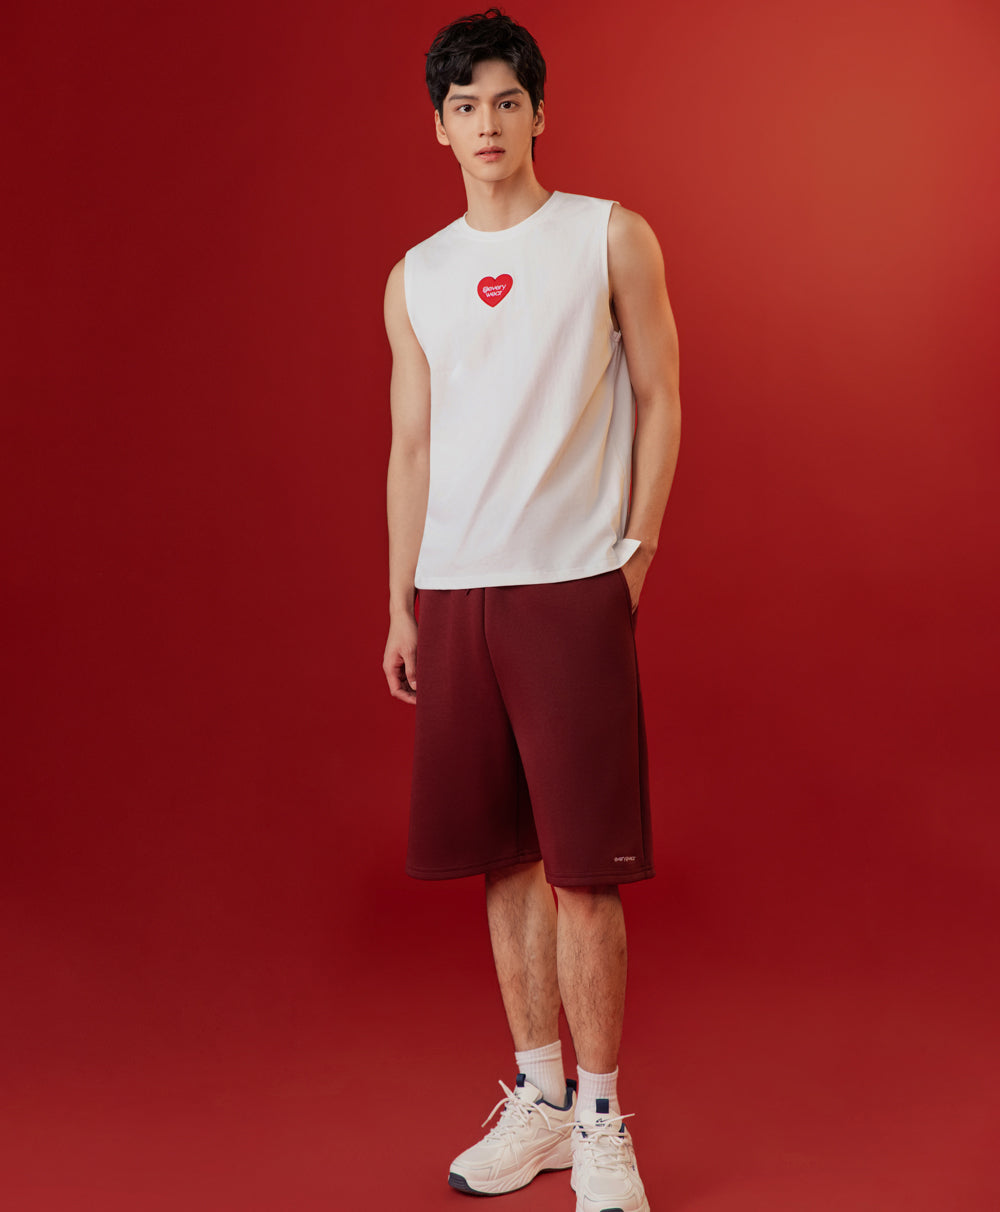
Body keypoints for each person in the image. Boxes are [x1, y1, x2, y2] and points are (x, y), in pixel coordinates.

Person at [381, 9, 680, 1211]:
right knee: (500, 862)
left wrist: (631, 559)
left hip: (570, 585)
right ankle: (542, 1101)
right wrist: (401, 603)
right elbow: (411, 445)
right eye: (465, 106)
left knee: (582, 868)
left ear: (539, 112)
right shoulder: (416, 275)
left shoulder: (609, 236)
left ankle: (603, 1123)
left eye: (507, 100)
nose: (487, 124)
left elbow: (661, 394)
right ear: (439, 127)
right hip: (455, 592)